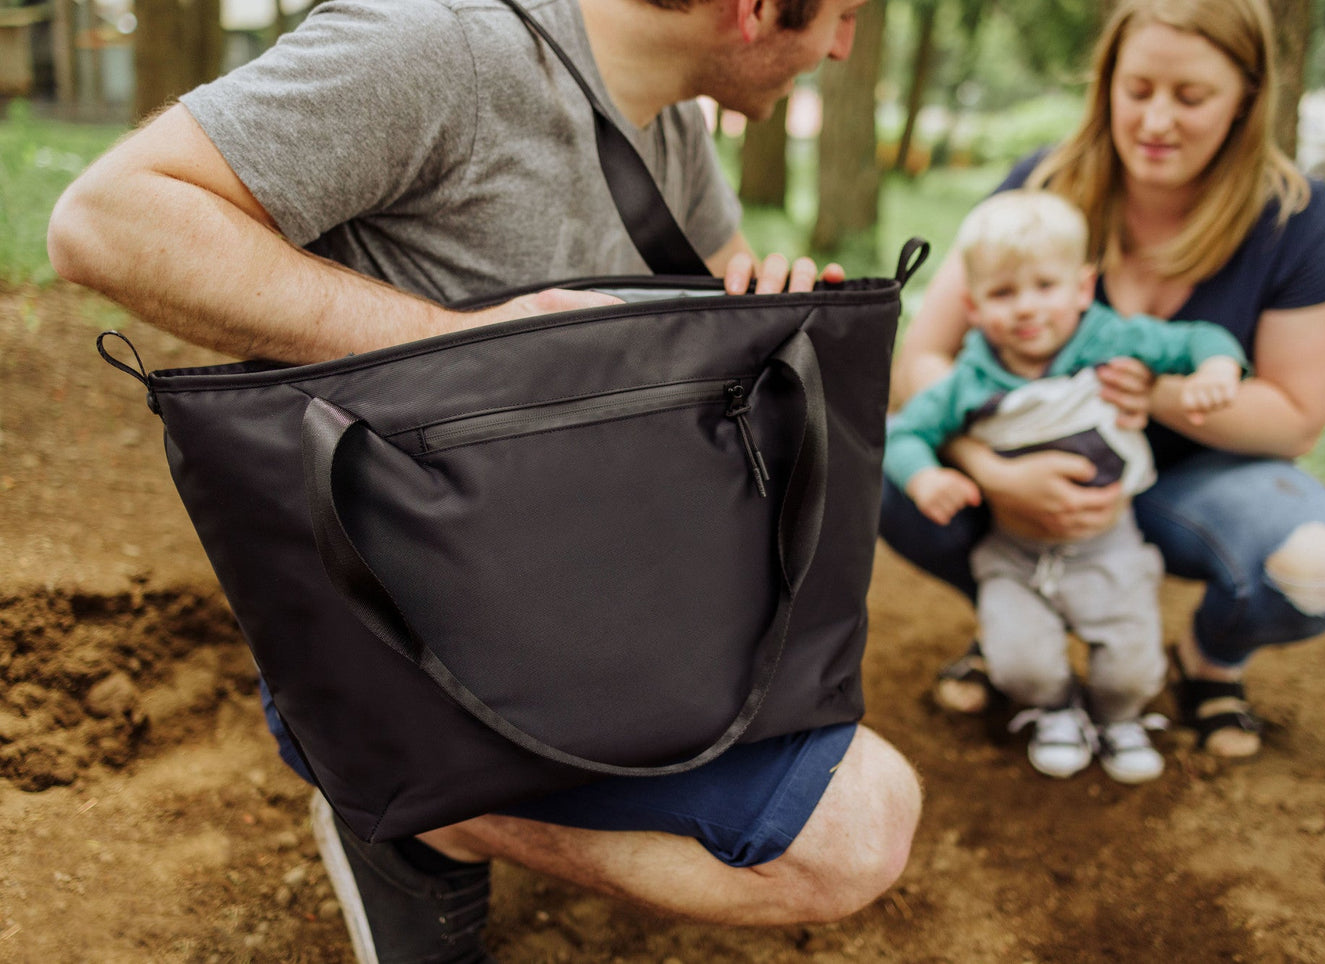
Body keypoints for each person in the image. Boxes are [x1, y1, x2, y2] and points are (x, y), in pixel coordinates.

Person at [46, 0, 922, 960]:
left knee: (858, 812)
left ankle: (460, 804)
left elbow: (686, 342)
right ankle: (421, 808)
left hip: (595, 603)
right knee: (852, 834)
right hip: (408, 632)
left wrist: (757, 309)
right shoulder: (436, 45)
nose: (844, 47)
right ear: (753, 9)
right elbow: (104, 220)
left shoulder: (671, 112)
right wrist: (447, 343)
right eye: (839, 15)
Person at [881, 0, 1325, 764]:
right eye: (1136, 89)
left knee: (1316, 566)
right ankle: (1018, 625)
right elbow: (922, 362)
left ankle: (1206, 662)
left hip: (1193, 482)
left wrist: (1156, 395)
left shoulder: (1293, 216)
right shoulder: (1039, 184)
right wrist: (993, 467)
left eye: (1190, 97)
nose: (1155, 121)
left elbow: (1295, 419)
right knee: (882, 466)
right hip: (1024, 477)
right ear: (1105, 81)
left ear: (1247, 94)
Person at [884, 189, 1245, 783]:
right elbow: (905, 433)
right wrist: (924, 477)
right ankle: (1051, 710)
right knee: (1019, 661)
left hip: (1110, 545)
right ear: (972, 307)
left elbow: (1199, 337)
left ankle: (1119, 716)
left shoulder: (1108, 340)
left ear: (1082, 288)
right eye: (1003, 293)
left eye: (1045, 287)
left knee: (1130, 664)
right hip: (1015, 552)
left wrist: (1216, 369)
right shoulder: (971, 377)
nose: (1026, 308)